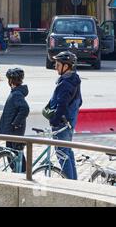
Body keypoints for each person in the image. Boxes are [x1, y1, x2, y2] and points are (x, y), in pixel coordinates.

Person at [48, 51, 82, 180]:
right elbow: (80, 102)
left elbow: (61, 105)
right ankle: (74, 182)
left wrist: (55, 121)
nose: (55, 66)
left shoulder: (65, 84)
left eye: (57, 64)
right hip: (69, 123)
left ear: (66, 66)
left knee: (62, 155)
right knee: (68, 153)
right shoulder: (74, 79)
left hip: (62, 125)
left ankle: (69, 183)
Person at [0, 68, 30, 172]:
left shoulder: (16, 94)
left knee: (14, 154)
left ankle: (22, 173)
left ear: (10, 81)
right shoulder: (16, 92)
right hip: (12, 130)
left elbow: (25, 109)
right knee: (15, 153)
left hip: (14, 131)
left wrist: (15, 123)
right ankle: (21, 172)